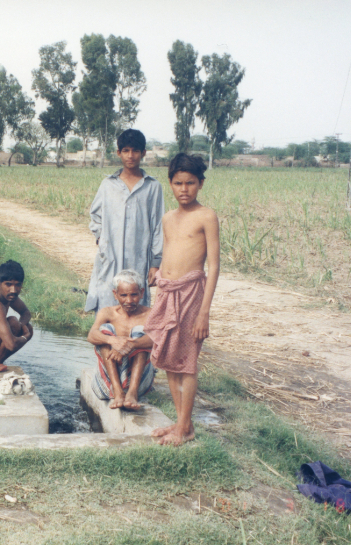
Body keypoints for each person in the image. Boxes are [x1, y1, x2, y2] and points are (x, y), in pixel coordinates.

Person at [144, 153, 220, 446]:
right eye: (178, 183)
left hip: (191, 295)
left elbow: (214, 266)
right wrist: (158, 275)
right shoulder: (168, 218)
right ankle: (181, 423)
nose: (184, 189)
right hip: (167, 293)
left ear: (201, 184)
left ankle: (185, 427)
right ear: (170, 184)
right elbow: (167, 253)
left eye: (190, 183)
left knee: (186, 362)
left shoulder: (206, 216)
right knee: (169, 359)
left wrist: (204, 313)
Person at [85, 128, 164, 312]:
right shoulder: (108, 185)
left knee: (136, 307)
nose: (130, 156)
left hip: (139, 258)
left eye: (135, 150)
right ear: (118, 153)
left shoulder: (152, 187)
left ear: (143, 153)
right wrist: (101, 239)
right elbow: (95, 215)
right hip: (110, 257)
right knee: (107, 304)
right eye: (126, 150)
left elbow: (158, 226)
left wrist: (155, 264)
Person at [87, 270, 156, 410]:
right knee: (104, 330)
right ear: (115, 294)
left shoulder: (150, 314)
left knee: (139, 332)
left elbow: (158, 339)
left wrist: (130, 344)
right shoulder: (108, 312)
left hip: (139, 379)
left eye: (134, 295)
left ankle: (132, 393)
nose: (129, 301)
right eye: (123, 295)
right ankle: (118, 391)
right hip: (110, 380)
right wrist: (113, 341)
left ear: (142, 293)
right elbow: (91, 335)